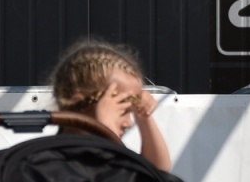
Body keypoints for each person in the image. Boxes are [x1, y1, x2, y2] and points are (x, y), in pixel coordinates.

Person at [49, 37, 173, 173]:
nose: (129, 123)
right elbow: (115, 179)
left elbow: (159, 172)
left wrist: (144, 119)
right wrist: (105, 130)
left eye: (131, 112)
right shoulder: (54, 165)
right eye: (122, 111)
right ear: (81, 106)